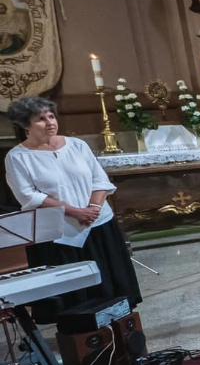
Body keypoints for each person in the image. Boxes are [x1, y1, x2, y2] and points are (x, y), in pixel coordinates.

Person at [4, 96, 143, 323]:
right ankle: (84, 333)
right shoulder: (17, 157)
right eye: (41, 119)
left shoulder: (77, 145)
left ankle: (118, 327)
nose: (50, 122)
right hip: (59, 233)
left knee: (111, 283)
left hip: (98, 224)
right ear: (25, 124)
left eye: (51, 116)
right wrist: (75, 212)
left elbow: (100, 180)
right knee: (76, 300)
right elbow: (28, 195)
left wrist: (93, 208)